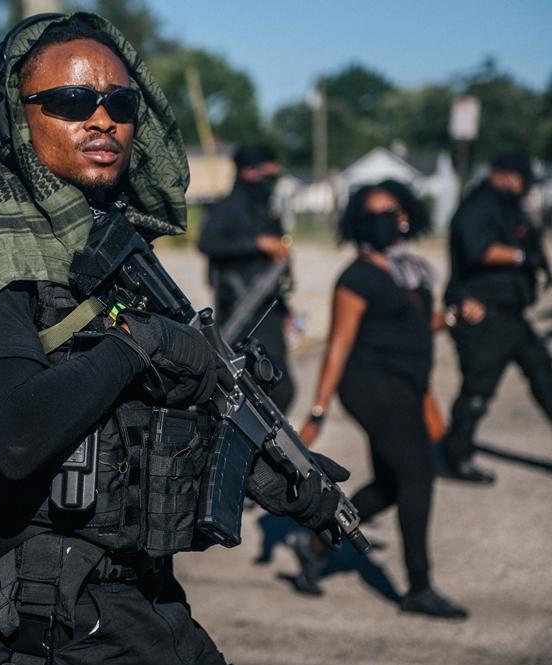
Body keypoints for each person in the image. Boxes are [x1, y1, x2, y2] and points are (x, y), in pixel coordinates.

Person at [0, 13, 350, 665]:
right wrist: (140, 344)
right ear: (13, 117)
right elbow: (17, 435)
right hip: (43, 616)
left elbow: (134, 423)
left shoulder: (99, 250)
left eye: (120, 104)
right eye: (72, 101)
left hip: (129, 597)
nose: (103, 120)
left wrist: (273, 473)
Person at [295, 180, 468, 619]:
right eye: (372, 214)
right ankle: (419, 588)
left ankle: (317, 544)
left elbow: (416, 326)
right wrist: (319, 410)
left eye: (389, 211)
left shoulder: (412, 272)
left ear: (406, 215)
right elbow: (338, 345)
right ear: (358, 223)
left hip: (407, 386)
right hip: (370, 386)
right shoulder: (356, 277)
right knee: (418, 474)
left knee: (392, 485)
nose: (383, 220)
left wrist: (452, 317)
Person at [441, 151, 551, 483]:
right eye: (521, 180)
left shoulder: (509, 206)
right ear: (500, 174)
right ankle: (456, 457)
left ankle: (456, 453)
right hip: (483, 314)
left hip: (511, 315)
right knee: (477, 390)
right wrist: (522, 257)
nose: (524, 187)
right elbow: (480, 249)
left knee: (545, 378)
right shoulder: (478, 206)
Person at [197, 144, 295, 411]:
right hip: (239, 310)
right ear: (249, 172)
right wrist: (257, 243)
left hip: (269, 309)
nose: (271, 183)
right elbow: (208, 243)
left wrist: (287, 309)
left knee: (280, 386)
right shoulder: (228, 207)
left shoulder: (266, 209)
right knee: (254, 386)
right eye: (268, 175)